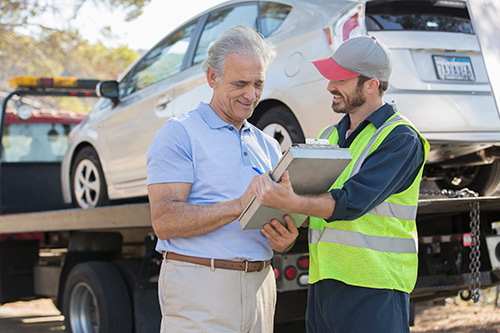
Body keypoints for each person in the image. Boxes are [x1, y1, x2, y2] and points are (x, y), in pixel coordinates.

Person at [252, 36, 430, 332]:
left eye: (341, 79)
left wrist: (289, 201)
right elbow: (313, 208)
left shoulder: (401, 139)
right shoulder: (331, 136)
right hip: (324, 286)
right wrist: (289, 228)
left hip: (375, 289)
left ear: (371, 85)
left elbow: (350, 202)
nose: (330, 86)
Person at [146, 24, 298, 332]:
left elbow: (274, 224)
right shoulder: (180, 133)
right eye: (240, 83)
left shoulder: (267, 145)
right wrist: (239, 205)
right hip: (200, 288)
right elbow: (164, 220)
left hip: (261, 287)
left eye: (258, 83)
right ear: (212, 77)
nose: (251, 94)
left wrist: (286, 239)